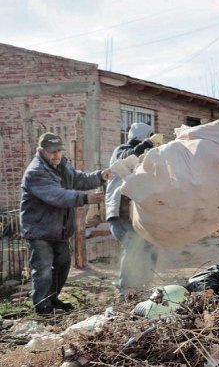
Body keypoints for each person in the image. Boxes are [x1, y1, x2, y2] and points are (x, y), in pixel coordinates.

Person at [20, 133, 111, 315]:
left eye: (59, 151)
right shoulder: (36, 172)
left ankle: (53, 299)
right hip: (40, 229)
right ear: (41, 151)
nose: (56, 155)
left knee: (62, 264)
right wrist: (85, 198)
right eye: (51, 152)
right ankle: (43, 307)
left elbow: (79, 179)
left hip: (58, 229)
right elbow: (58, 195)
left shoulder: (62, 165)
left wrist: (100, 176)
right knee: (43, 269)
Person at [105, 123, 160, 295]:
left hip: (134, 215)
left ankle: (143, 285)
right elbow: (124, 159)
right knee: (133, 245)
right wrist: (144, 146)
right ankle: (125, 289)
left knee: (151, 246)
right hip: (119, 214)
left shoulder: (146, 158)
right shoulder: (121, 150)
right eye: (148, 137)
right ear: (142, 137)